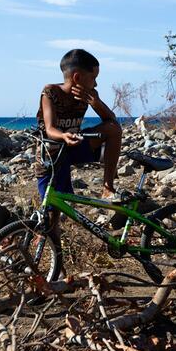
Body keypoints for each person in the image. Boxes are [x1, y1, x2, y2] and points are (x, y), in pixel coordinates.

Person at [33, 49, 123, 239]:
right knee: (51, 216)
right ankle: (55, 266)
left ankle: (107, 187)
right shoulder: (50, 92)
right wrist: (64, 135)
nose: (96, 83)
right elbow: (49, 128)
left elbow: (112, 122)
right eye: (93, 77)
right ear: (77, 77)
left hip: (74, 147)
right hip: (51, 156)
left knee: (113, 129)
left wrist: (95, 102)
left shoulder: (90, 94)